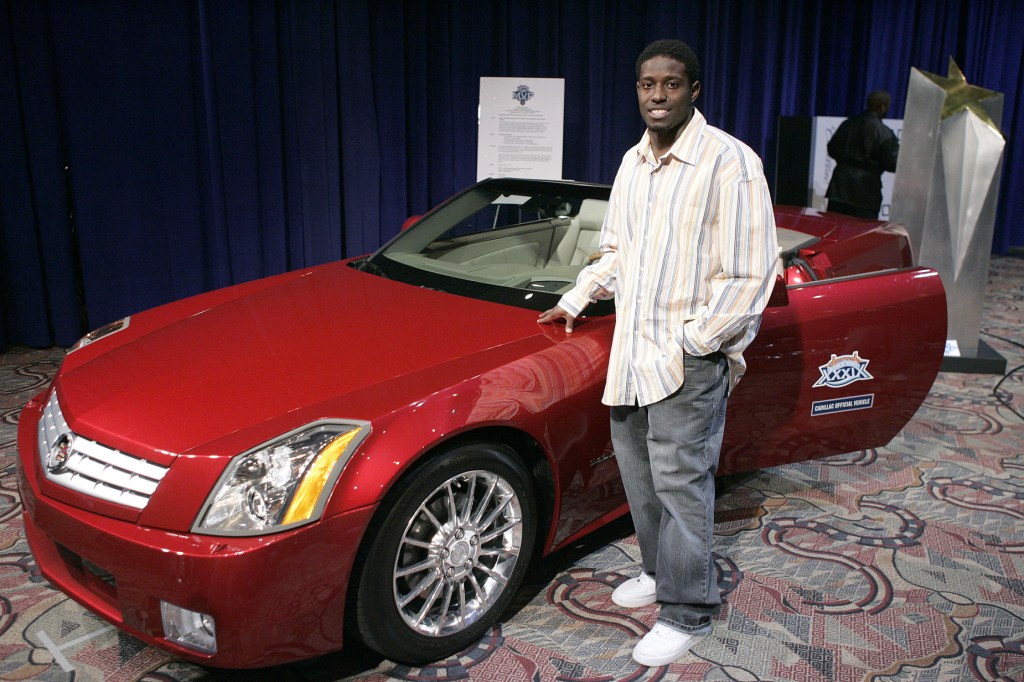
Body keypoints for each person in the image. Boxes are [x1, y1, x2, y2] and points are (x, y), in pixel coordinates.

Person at [538, 39, 777, 667]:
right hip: (633, 354)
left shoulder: (730, 162)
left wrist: (698, 343)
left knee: (681, 486)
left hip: (687, 359)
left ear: (693, 90)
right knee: (640, 481)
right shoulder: (632, 163)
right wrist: (577, 297)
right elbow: (615, 250)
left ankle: (687, 608)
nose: (658, 95)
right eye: (648, 84)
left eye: (671, 84)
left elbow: (752, 273)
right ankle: (658, 571)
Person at [825, 90, 900, 219]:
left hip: (839, 188)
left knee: (834, 231)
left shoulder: (847, 124)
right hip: (866, 191)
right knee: (862, 234)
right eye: (887, 106)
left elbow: (832, 149)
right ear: (882, 107)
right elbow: (892, 162)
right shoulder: (884, 133)